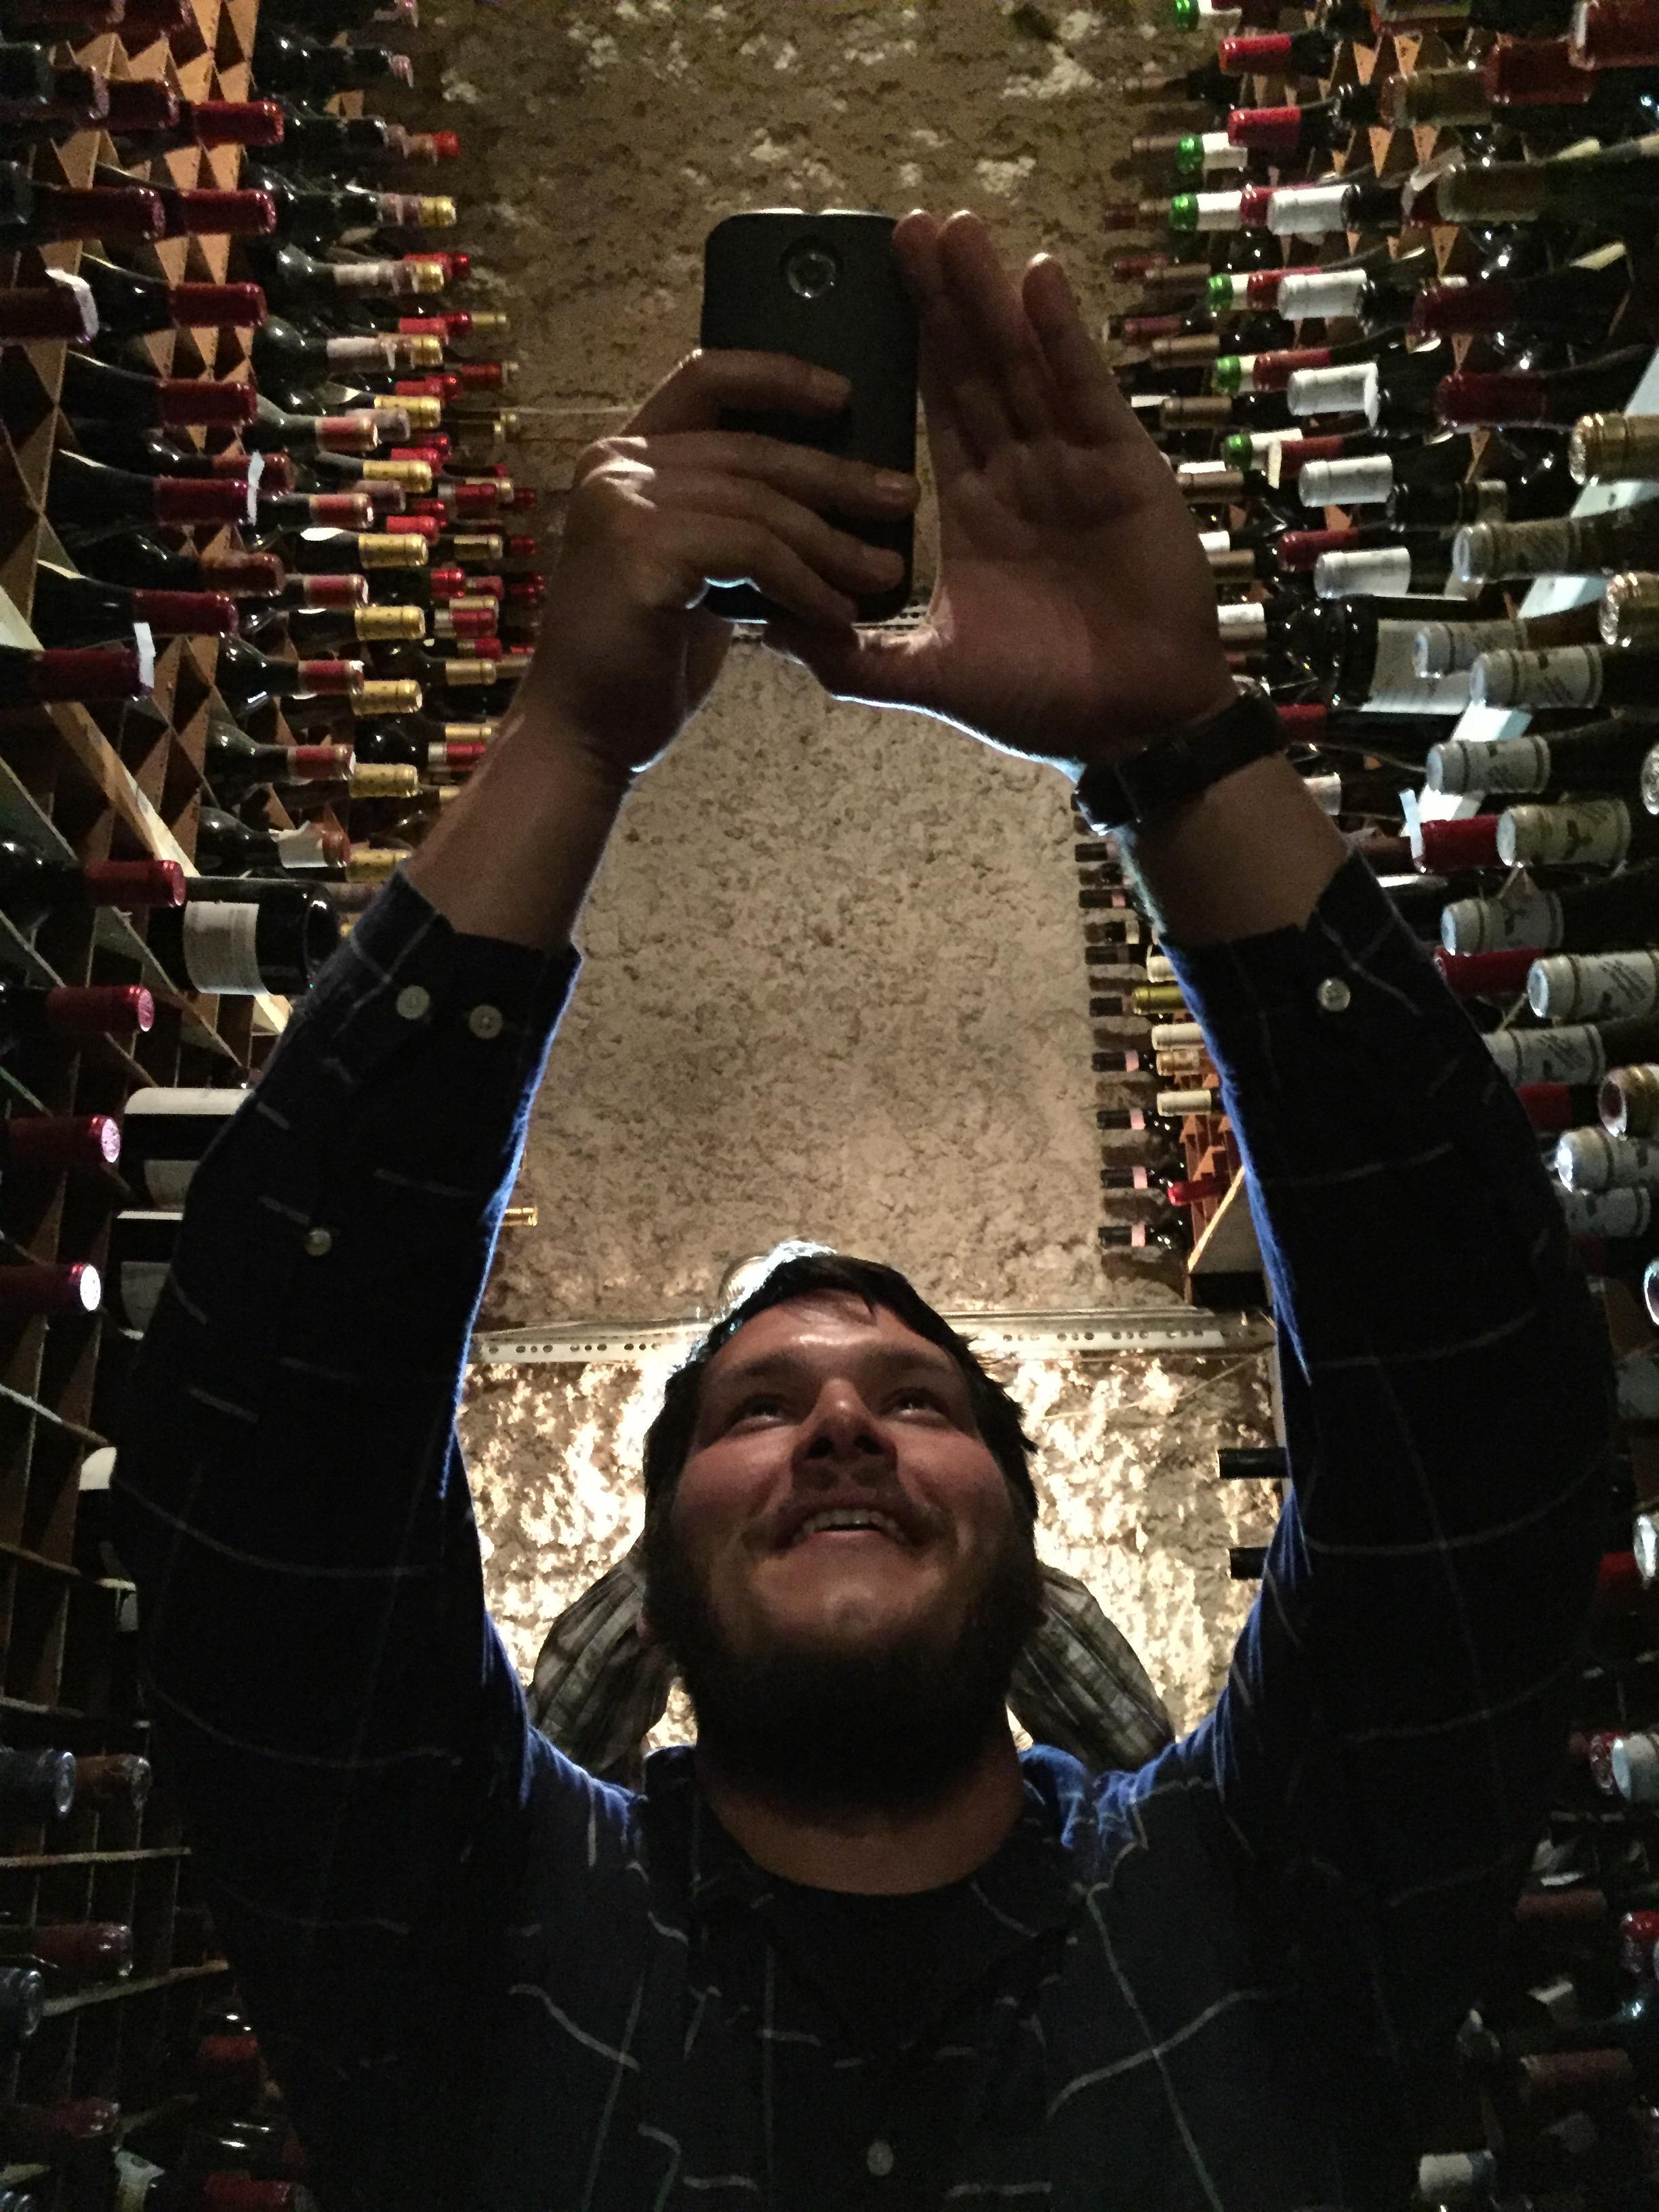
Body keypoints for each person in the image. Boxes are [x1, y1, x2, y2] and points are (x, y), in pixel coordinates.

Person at [112, 211, 1614, 2212]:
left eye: (910, 1395)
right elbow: (264, 1480)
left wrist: (1183, 741)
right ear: (645, 1555)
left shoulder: (1266, 1891)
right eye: (761, 1406)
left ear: (1024, 1509)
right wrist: (566, 739)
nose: (835, 1418)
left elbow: (1479, 1423)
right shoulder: (457, 1931)